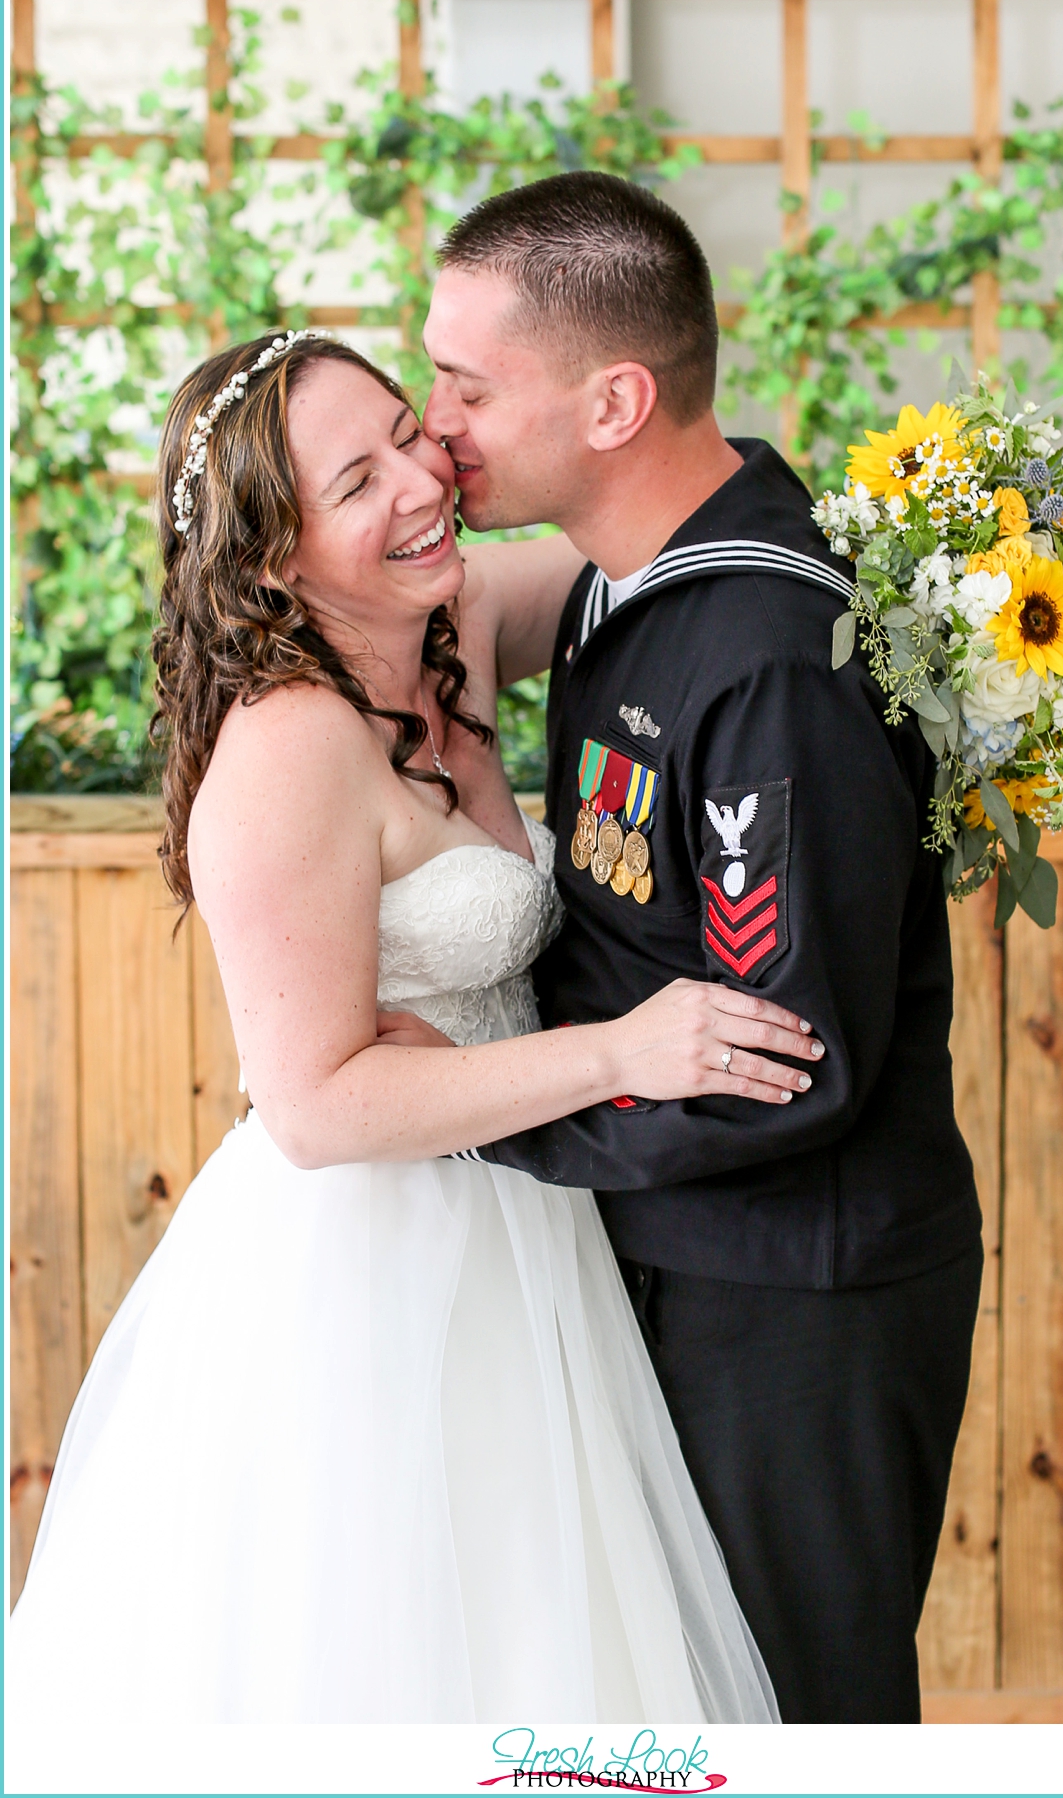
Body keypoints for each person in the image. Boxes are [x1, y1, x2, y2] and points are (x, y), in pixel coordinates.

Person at [9, 329, 825, 1724]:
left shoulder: (456, 623)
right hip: (367, 1274)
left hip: (532, 1227)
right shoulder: (285, 752)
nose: (418, 480)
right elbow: (318, 1109)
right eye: (356, 477)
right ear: (273, 560)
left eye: (407, 427)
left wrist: (883, 551)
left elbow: (660, 534)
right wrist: (625, 1050)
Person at [421, 171, 985, 1724]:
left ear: (614, 399)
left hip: (790, 1293)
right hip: (668, 1249)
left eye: (468, 384)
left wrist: (485, 1107)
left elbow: (777, 1064)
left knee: (794, 1717)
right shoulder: (626, 577)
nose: (436, 420)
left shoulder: (768, 660)